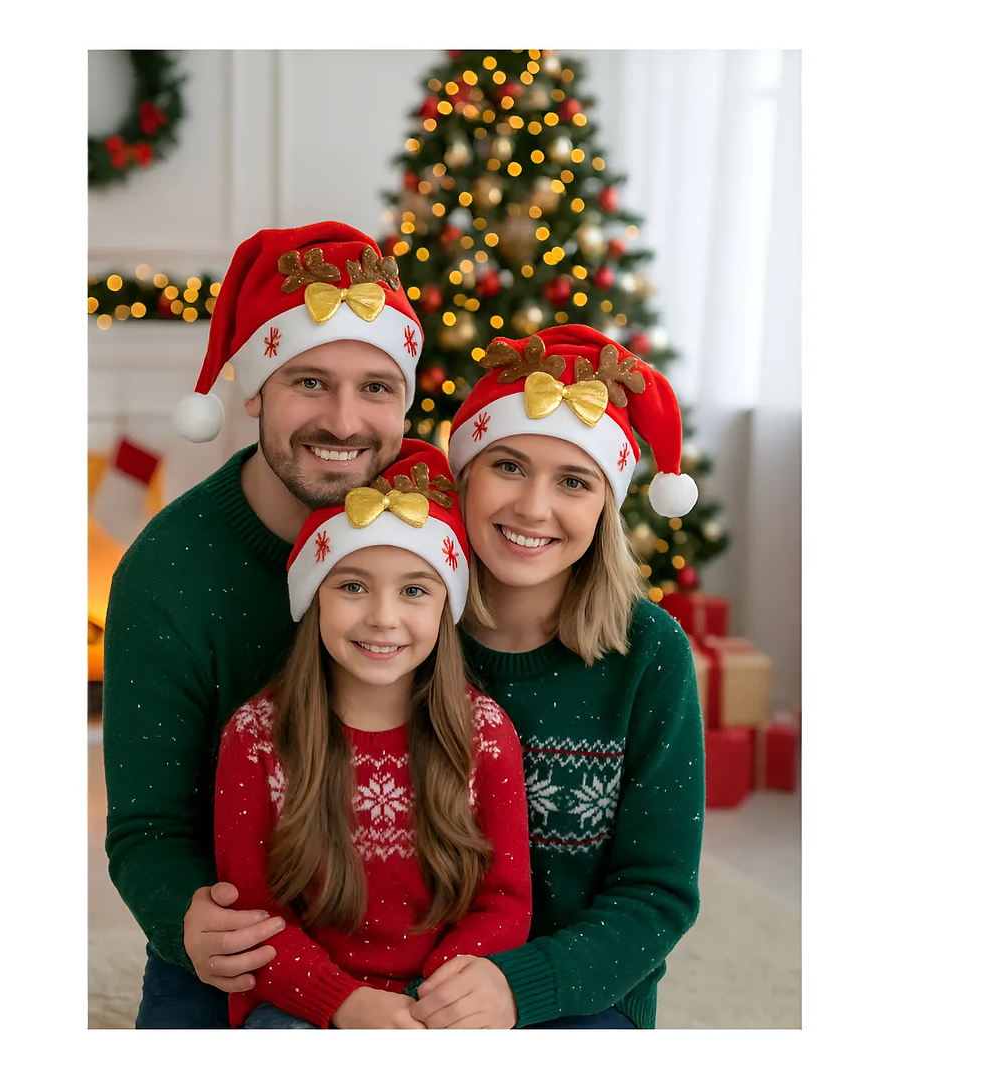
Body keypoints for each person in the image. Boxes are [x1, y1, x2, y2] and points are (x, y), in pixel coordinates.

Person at [101, 220, 427, 1028]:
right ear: (253, 389)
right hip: (245, 923)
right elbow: (145, 823)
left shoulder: (441, 537)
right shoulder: (168, 570)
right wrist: (185, 917)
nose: (345, 422)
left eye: (375, 387)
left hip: (415, 923)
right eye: (309, 382)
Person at [404, 322, 706, 1029]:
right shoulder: (399, 627)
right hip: (407, 976)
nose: (533, 508)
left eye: (573, 481)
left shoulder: (648, 652)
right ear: (464, 474)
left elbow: (657, 891)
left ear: (605, 505)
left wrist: (521, 986)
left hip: (582, 992)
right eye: (507, 465)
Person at [214, 441, 532, 1029]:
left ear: (444, 607)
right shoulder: (257, 737)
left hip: (440, 1001)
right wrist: (344, 1002)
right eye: (353, 586)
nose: (383, 617)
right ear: (313, 599)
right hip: (302, 1003)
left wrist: (434, 1002)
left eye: (414, 590)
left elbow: (504, 902)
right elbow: (253, 917)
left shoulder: (483, 733)